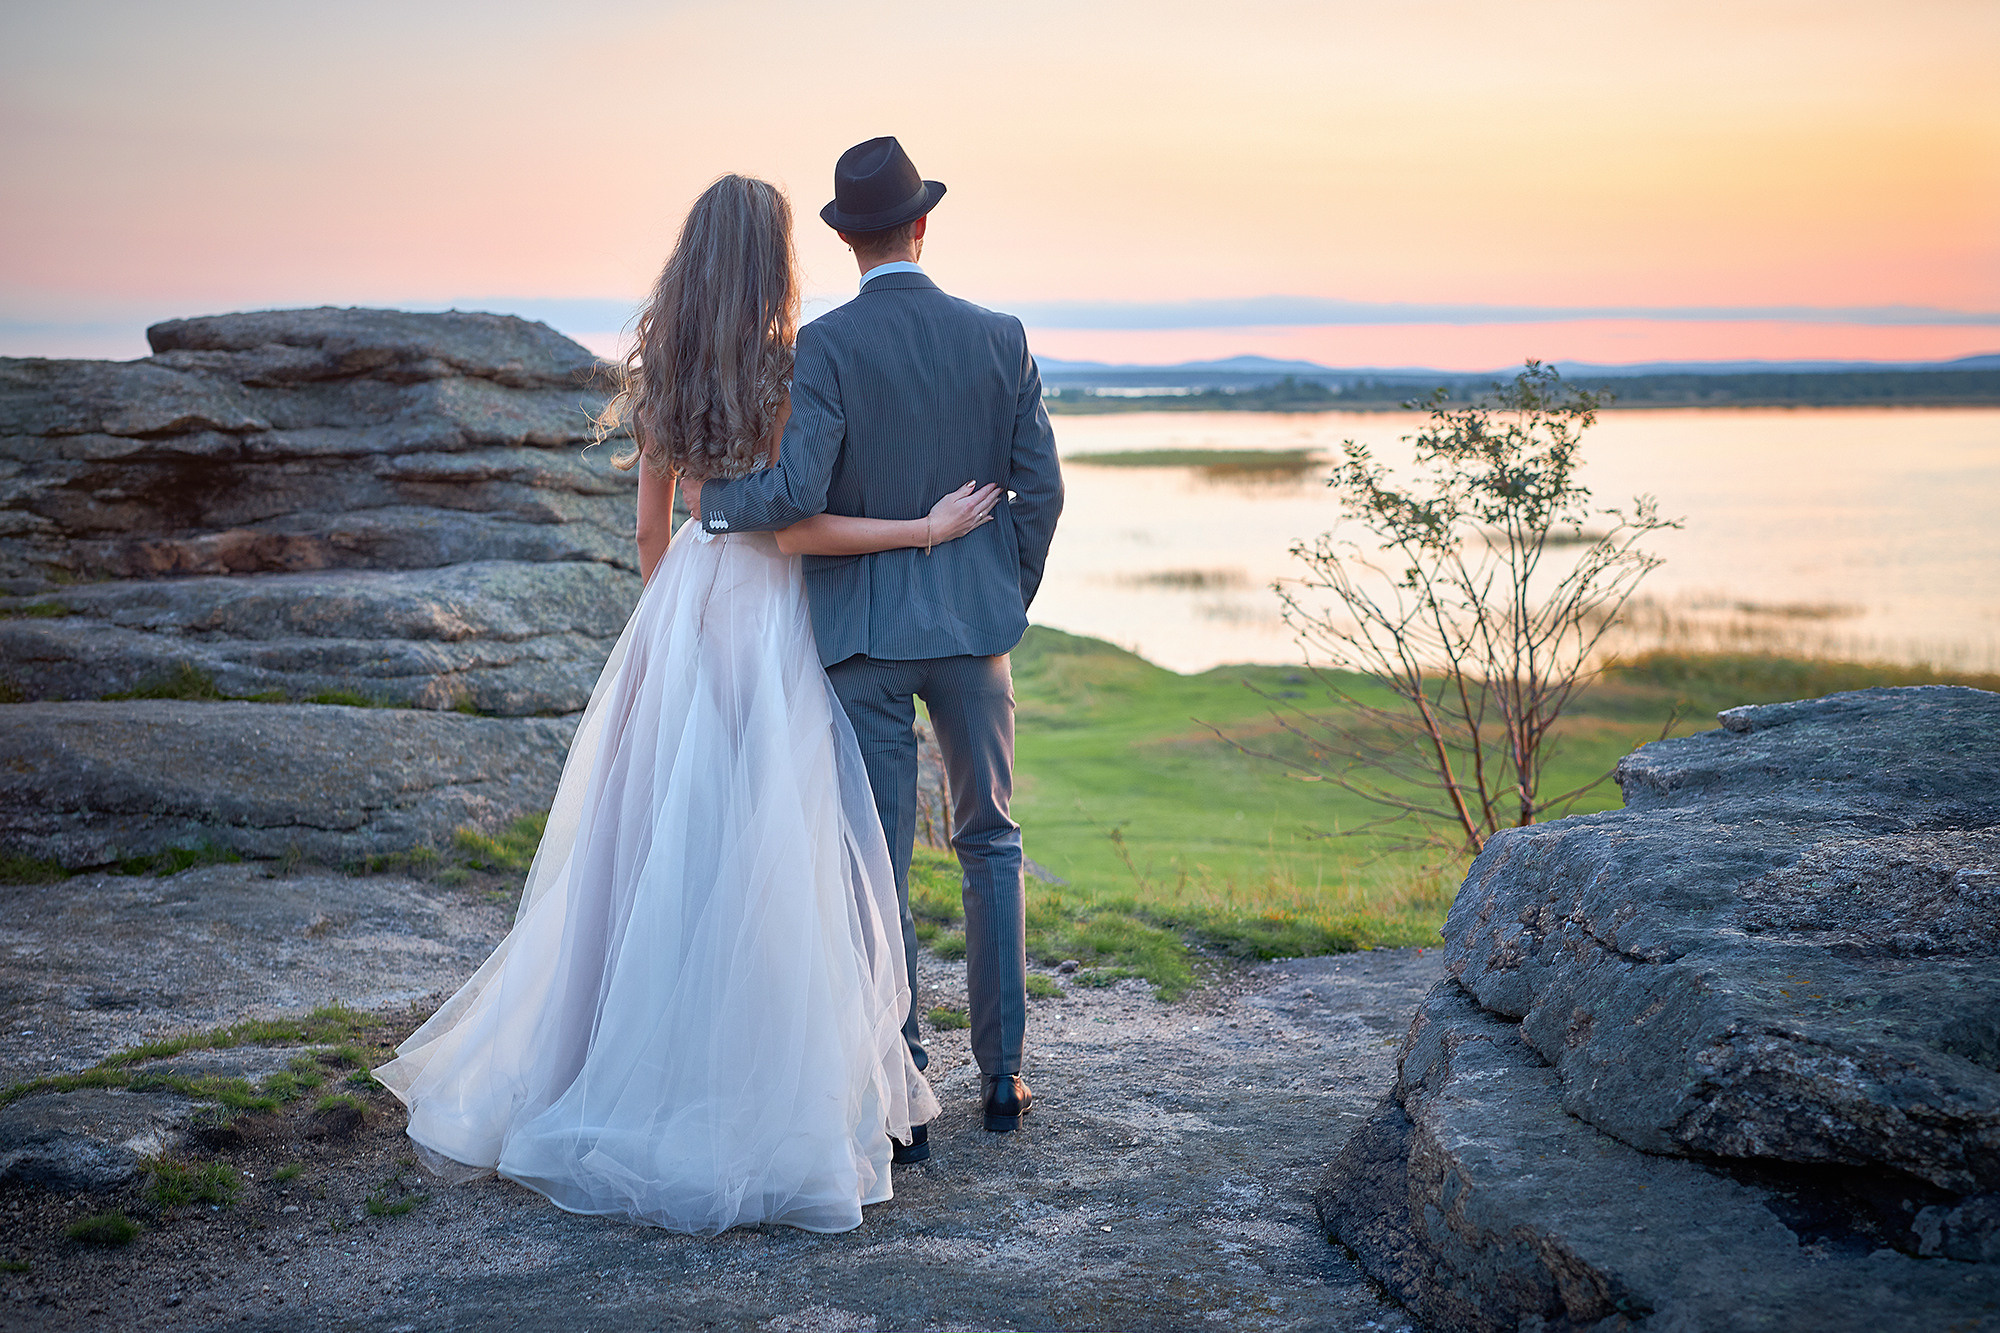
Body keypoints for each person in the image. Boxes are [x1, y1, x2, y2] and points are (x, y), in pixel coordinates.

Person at [373, 172, 1008, 1235]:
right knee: (771, 855)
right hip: (766, 622)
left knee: (656, 853)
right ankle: (756, 1077)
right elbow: (791, 531)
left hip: (680, 616)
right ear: (775, 259)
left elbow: (648, 531)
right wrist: (924, 531)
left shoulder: (659, 361)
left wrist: (667, 626)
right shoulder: (785, 366)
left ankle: (613, 1063)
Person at [683, 136, 1064, 1150]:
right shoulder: (1001, 336)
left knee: (873, 858)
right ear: (922, 226)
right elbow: (1043, 492)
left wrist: (712, 505)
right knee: (990, 841)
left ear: (848, 241)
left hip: (861, 638)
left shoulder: (828, 346)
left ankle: (901, 1090)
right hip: (975, 634)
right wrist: (997, 595)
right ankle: (1006, 1075)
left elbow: (798, 492)